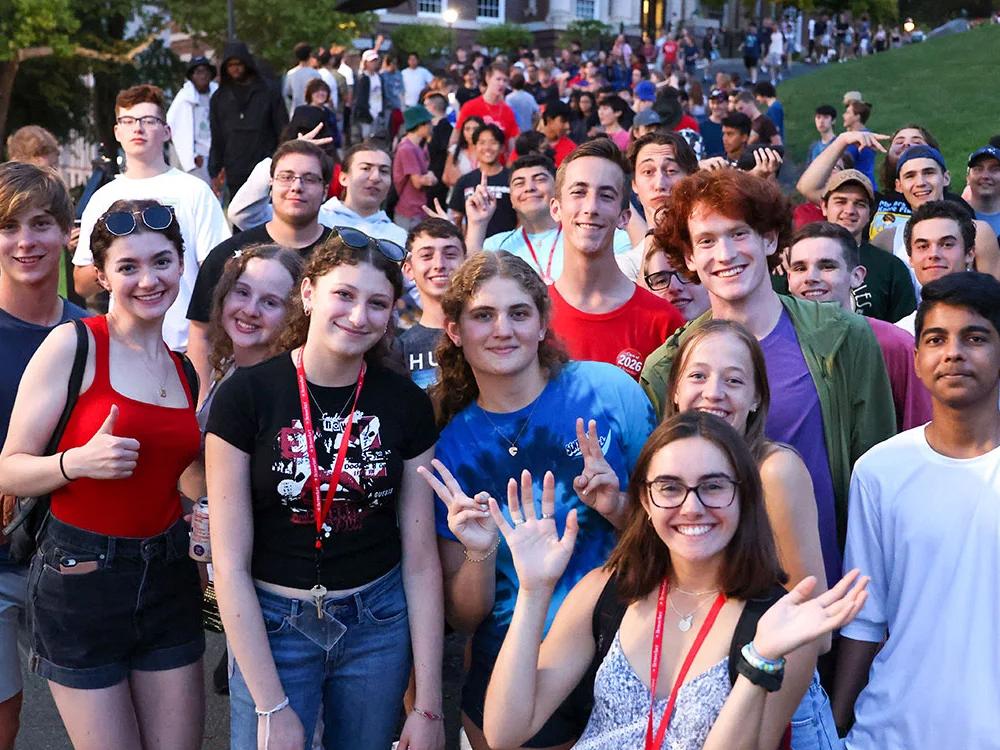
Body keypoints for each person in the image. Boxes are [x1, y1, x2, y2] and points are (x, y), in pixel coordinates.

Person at [481, 410, 867, 749]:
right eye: (670, 488)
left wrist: (759, 661)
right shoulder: (606, 589)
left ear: (744, 496)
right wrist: (534, 591)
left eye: (713, 486)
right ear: (646, 502)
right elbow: (504, 732)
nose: (692, 507)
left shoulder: (779, 627)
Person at [205, 230, 444, 750]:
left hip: (376, 626)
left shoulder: (405, 404)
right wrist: (271, 704)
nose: (359, 316)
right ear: (309, 293)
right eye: (344, 295)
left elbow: (421, 558)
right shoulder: (246, 397)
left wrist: (428, 706)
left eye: (377, 303)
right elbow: (228, 563)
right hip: (274, 624)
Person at [419, 250, 656, 749]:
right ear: (455, 330)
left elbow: (672, 541)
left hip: (628, 653)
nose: (503, 329)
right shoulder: (446, 444)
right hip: (515, 669)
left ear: (543, 322)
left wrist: (615, 507)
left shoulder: (610, 393)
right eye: (483, 315)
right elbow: (464, 617)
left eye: (519, 313)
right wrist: (479, 550)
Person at [0, 199, 204, 749]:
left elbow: (177, 477)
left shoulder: (183, 367)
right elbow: (8, 470)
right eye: (128, 267)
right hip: (81, 577)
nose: (148, 279)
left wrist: (203, 505)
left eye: (161, 262)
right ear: (104, 275)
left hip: (167, 573)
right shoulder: (75, 343)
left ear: (181, 265)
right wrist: (77, 463)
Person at [641, 168, 896, 590]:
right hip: (716, 595)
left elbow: (876, 478)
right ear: (688, 257)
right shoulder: (667, 367)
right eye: (706, 240)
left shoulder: (844, 337)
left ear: (770, 240)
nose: (724, 254)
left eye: (739, 233)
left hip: (830, 588)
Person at [834, 272, 1000, 748]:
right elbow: (865, 615)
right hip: (889, 731)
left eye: (975, 337)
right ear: (918, 361)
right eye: (936, 339)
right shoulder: (880, 471)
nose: (954, 353)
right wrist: (838, 723)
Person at [0, 163, 88, 750]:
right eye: (7, 226)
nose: (25, 241)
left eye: (40, 224)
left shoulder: (94, 331)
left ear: (66, 233)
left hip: (78, 557)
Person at [72, 84, 231, 352]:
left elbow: (217, 272)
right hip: (124, 348)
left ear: (167, 131)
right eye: (129, 121)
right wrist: (116, 260)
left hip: (187, 346)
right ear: (117, 131)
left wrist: (202, 342)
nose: (138, 128)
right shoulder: (102, 199)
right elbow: (81, 284)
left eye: (149, 120)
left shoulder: (194, 191)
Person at [187, 139, 333, 386]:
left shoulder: (341, 257)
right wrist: (200, 402)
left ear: (325, 191)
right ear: (271, 184)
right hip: (240, 391)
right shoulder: (229, 254)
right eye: (287, 177)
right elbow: (201, 333)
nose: (297, 186)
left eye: (309, 179)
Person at [180, 243, 304, 515]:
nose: (250, 310)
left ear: (294, 314)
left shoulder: (285, 388)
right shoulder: (228, 365)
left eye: (270, 302)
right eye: (242, 292)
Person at [546, 138, 684, 379]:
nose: (591, 207)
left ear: (624, 217)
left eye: (606, 196)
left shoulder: (663, 322)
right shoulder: (530, 315)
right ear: (556, 208)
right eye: (579, 192)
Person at [786, 222, 932, 431]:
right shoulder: (774, 343)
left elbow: (918, 428)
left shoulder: (894, 344)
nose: (811, 278)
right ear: (789, 279)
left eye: (827, 266)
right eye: (800, 268)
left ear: (857, 276)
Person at [788, 169, 917, 323]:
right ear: (824, 206)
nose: (849, 211)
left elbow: (904, 331)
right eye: (840, 202)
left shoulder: (891, 267)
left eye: (860, 204)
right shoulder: (798, 260)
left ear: (870, 213)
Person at [871, 147, 999, 280]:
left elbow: (994, 294)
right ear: (899, 186)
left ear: (946, 178)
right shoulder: (885, 240)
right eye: (910, 176)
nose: (920, 182)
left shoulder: (980, 233)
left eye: (928, 173)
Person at [617, 131, 699, 282]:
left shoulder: (709, 248)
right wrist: (654, 234)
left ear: (690, 178)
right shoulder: (628, 265)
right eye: (648, 172)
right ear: (634, 184)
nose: (660, 184)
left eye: (671, 171)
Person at [210, 41, 288, 197]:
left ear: (247, 63)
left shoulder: (268, 91)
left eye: (239, 63)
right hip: (235, 167)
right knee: (238, 215)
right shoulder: (219, 98)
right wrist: (215, 168)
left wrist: (280, 160)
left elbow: (283, 128)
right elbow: (217, 135)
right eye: (230, 65)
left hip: (265, 164)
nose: (235, 68)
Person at [399, 218, 466, 389]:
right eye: (427, 256)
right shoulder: (400, 348)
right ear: (408, 269)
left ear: (466, 263)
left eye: (450, 254)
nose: (439, 265)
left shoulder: (486, 335)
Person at [894, 200, 977, 335]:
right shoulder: (899, 334)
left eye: (947, 244)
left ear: (969, 253)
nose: (933, 254)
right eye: (923, 246)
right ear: (911, 258)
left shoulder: (993, 321)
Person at [448, 124, 517, 237]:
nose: (487, 147)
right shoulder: (464, 181)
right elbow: (456, 218)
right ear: (475, 147)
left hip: (508, 249)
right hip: (475, 250)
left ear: (502, 148)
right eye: (482, 143)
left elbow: (522, 217)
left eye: (493, 142)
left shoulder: (513, 179)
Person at [167, 56, 218, 185]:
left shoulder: (218, 94)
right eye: (198, 72)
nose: (203, 76)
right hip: (197, 158)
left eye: (205, 71)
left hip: (216, 154)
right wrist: (191, 155)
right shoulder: (184, 98)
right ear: (192, 76)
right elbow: (171, 127)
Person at [453, 63, 520, 155]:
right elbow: (456, 137)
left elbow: (512, 146)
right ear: (488, 79)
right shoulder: (470, 107)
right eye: (498, 79)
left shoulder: (508, 111)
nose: (501, 84)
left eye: (505, 80)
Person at [393, 106, 438, 232]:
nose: (431, 126)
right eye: (429, 122)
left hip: (418, 210)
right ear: (420, 125)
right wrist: (431, 179)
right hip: (408, 213)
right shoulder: (407, 148)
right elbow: (417, 182)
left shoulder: (417, 147)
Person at [423, 92, 453, 209]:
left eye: (426, 105)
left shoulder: (445, 128)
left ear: (432, 107)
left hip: (439, 179)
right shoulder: (434, 128)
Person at [966, 145, 1000, 236]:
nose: (985, 176)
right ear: (968, 178)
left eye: (995, 169)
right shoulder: (954, 214)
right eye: (978, 169)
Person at [353, 49, 385, 141]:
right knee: (366, 140)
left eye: (375, 61)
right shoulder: (362, 78)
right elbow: (360, 99)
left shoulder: (379, 77)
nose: (374, 63)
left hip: (378, 113)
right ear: (365, 62)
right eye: (371, 61)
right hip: (367, 115)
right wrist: (367, 113)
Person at [283, 42, 321, 114]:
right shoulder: (315, 74)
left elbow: (287, 93)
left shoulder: (291, 73)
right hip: (312, 111)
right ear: (310, 55)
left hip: (296, 112)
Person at [537, 101, 577, 167]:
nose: (567, 126)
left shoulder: (572, 149)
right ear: (549, 120)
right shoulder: (528, 144)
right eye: (563, 121)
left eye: (568, 121)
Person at [699, 89, 728, 159]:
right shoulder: (702, 126)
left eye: (719, 103)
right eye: (713, 103)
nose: (715, 106)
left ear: (726, 103)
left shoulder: (733, 124)